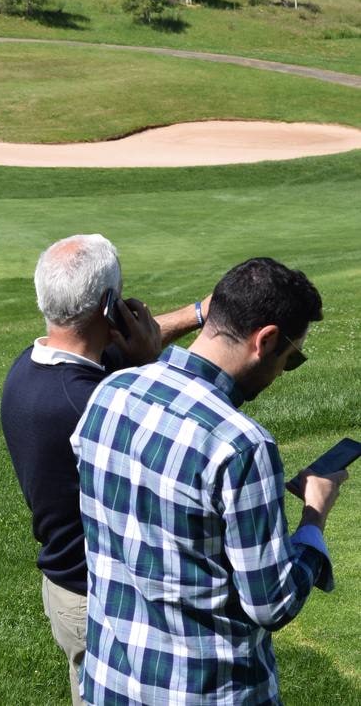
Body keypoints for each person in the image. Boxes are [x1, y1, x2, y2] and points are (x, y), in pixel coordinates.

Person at [73, 257, 347, 705]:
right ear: (267, 340)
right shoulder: (242, 446)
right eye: (290, 358)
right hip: (206, 691)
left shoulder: (110, 392)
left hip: (112, 685)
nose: (282, 372)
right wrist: (314, 516)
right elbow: (272, 603)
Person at [0, 234, 204, 706]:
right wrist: (150, 363)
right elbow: (174, 438)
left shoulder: (33, 369)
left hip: (66, 585)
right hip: (99, 598)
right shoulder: (92, 404)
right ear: (111, 307)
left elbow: (116, 353)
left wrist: (198, 314)